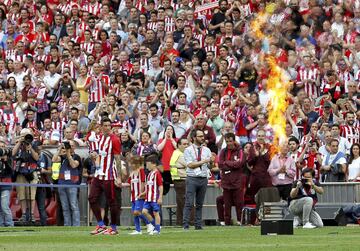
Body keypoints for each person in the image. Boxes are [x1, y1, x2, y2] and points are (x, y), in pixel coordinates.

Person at [88, 118, 123, 235]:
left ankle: (113, 227)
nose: (107, 127)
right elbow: (97, 154)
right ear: (101, 127)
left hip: (109, 175)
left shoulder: (115, 140)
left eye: (109, 125)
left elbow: (118, 158)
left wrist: (118, 177)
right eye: (105, 125)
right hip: (99, 174)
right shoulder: (99, 138)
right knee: (92, 198)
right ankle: (101, 225)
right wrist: (93, 156)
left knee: (112, 202)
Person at [183, 129, 215, 230]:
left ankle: (198, 225)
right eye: (200, 136)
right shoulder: (188, 150)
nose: (203, 138)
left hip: (203, 178)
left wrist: (211, 162)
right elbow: (191, 165)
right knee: (189, 202)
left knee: (200, 203)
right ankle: (186, 225)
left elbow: (210, 166)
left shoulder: (207, 150)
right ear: (194, 138)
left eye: (203, 136)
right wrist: (204, 161)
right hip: (192, 178)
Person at [218, 133, 253, 225]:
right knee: (227, 204)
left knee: (239, 203)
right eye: (227, 141)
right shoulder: (223, 151)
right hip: (226, 181)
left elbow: (240, 163)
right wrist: (232, 163)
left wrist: (227, 163)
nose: (228, 143)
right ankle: (227, 222)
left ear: (234, 141)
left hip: (237, 181)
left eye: (230, 141)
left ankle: (239, 221)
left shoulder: (240, 151)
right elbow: (220, 164)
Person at [12, 128, 39, 222]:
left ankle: (31, 215)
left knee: (31, 195)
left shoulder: (34, 144)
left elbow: (36, 158)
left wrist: (30, 148)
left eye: (26, 135)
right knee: (21, 195)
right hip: (20, 172)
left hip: (31, 172)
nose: (25, 137)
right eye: (23, 135)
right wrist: (19, 142)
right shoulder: (18, 144)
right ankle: (24, 214)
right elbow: (13, 153)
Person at [52, 140, 81, 226]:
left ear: (74, 147)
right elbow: (54, 160)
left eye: (71, 146)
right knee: (65, 207)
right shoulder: (62, 157)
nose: (70, 147)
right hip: (61, 184)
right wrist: (60, 148)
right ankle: (67, 225)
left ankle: (76, 225)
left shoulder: (77, 157)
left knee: (73, 206)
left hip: (72, 185)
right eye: (69, 146)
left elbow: (73, 165)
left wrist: (68, 154)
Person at [128, 155, 153, 235]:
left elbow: (143, 182)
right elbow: (129, 183)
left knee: (137, 212)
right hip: (133, 196)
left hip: (139, 196)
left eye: (132, 163)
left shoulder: (141, 171)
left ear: (136, 164)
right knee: (134, 213)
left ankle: (149, 224)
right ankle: (138, 230)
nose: (130, 165)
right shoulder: (132, 173)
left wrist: (141, 193)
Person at [141, 154, 163, 235]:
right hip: (148, 198)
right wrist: (143, 193)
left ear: (154, 164)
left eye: (148, 164)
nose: (147, 167)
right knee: (144, 212)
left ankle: (157, 230)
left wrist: (160, 197)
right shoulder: (149, 174)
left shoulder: (157, 173)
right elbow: (148, 187)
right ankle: (155, 226)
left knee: (155, 213)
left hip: (154, 198)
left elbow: (160, 186)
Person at [170, 138, 189, 226]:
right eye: (184, 144)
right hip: (182, 179)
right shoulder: (180, 155)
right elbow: (189, 165)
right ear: (179, 145)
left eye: (187, 144)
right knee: (186, 202)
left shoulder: (175, 153)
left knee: (181, 202)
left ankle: (180, 222)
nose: (186, 146)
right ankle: (188, 221)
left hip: (178, 180)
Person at [0, 144, 14, 227]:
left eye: (2, 146)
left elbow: (11, 172)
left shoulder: (9, 158)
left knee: (4, 206)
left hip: (6, 184)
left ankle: (9, 224)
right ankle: (1, 225)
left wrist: (5, 161)